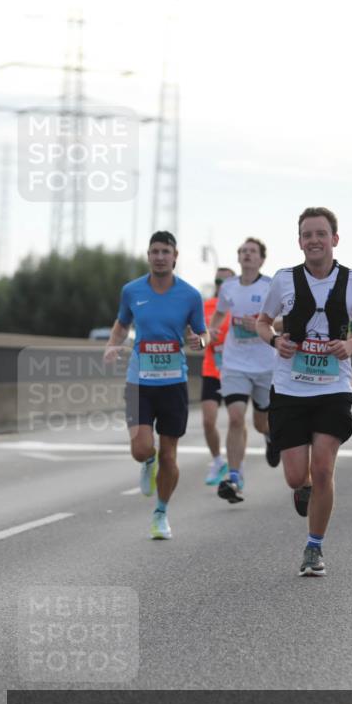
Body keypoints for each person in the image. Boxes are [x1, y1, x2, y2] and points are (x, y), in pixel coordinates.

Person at [257, 207, 352, 577]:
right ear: (299, 241)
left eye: (321, 234)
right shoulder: (283, 280)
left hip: (333, 388)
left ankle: (314, 547)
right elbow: (262, 323)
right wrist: (275, 341)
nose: (314, 240)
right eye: (307, 234)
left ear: (335, 239)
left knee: (324, 466)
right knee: (297, 476)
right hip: (289, 389)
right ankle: (304, 487)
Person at [104, 231, 206, 539]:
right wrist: (112, 344)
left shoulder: (190, 295)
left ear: (175, 256)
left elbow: (203, 333)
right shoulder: (132, 291)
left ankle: (160, 513)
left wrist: (199, 340)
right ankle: (147, 460)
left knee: (170, 456)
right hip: (139, 382)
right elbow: (123, 323)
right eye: (154, 251)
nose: (160, 256)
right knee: (142, 448)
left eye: (165, 251)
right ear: (148, 256)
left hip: (173, 381)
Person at [209, 238, 279, 504]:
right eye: (243, 251)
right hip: (235, 362)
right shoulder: (228, 287)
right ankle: (234, 477)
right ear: (238, 258)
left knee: (262, 422)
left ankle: (271, 436)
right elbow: (219, 314)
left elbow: (287, 319)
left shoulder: (271, 286)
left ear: (261, 259)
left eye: (252, 252)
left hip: (265, 365)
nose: (247, 255)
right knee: (236, 417)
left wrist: (262, 325)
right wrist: (212, 330)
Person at [201, 266, 235, 485]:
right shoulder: (206, 306)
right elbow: (196, 333)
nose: (221, 286)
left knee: (237, 420)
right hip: (212, 369)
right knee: (208, 420)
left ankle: (236, 469)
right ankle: (217, 461)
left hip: (235, 371)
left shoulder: (241, 306)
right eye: (218, 281)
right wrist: (204, 334)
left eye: (226, 282)